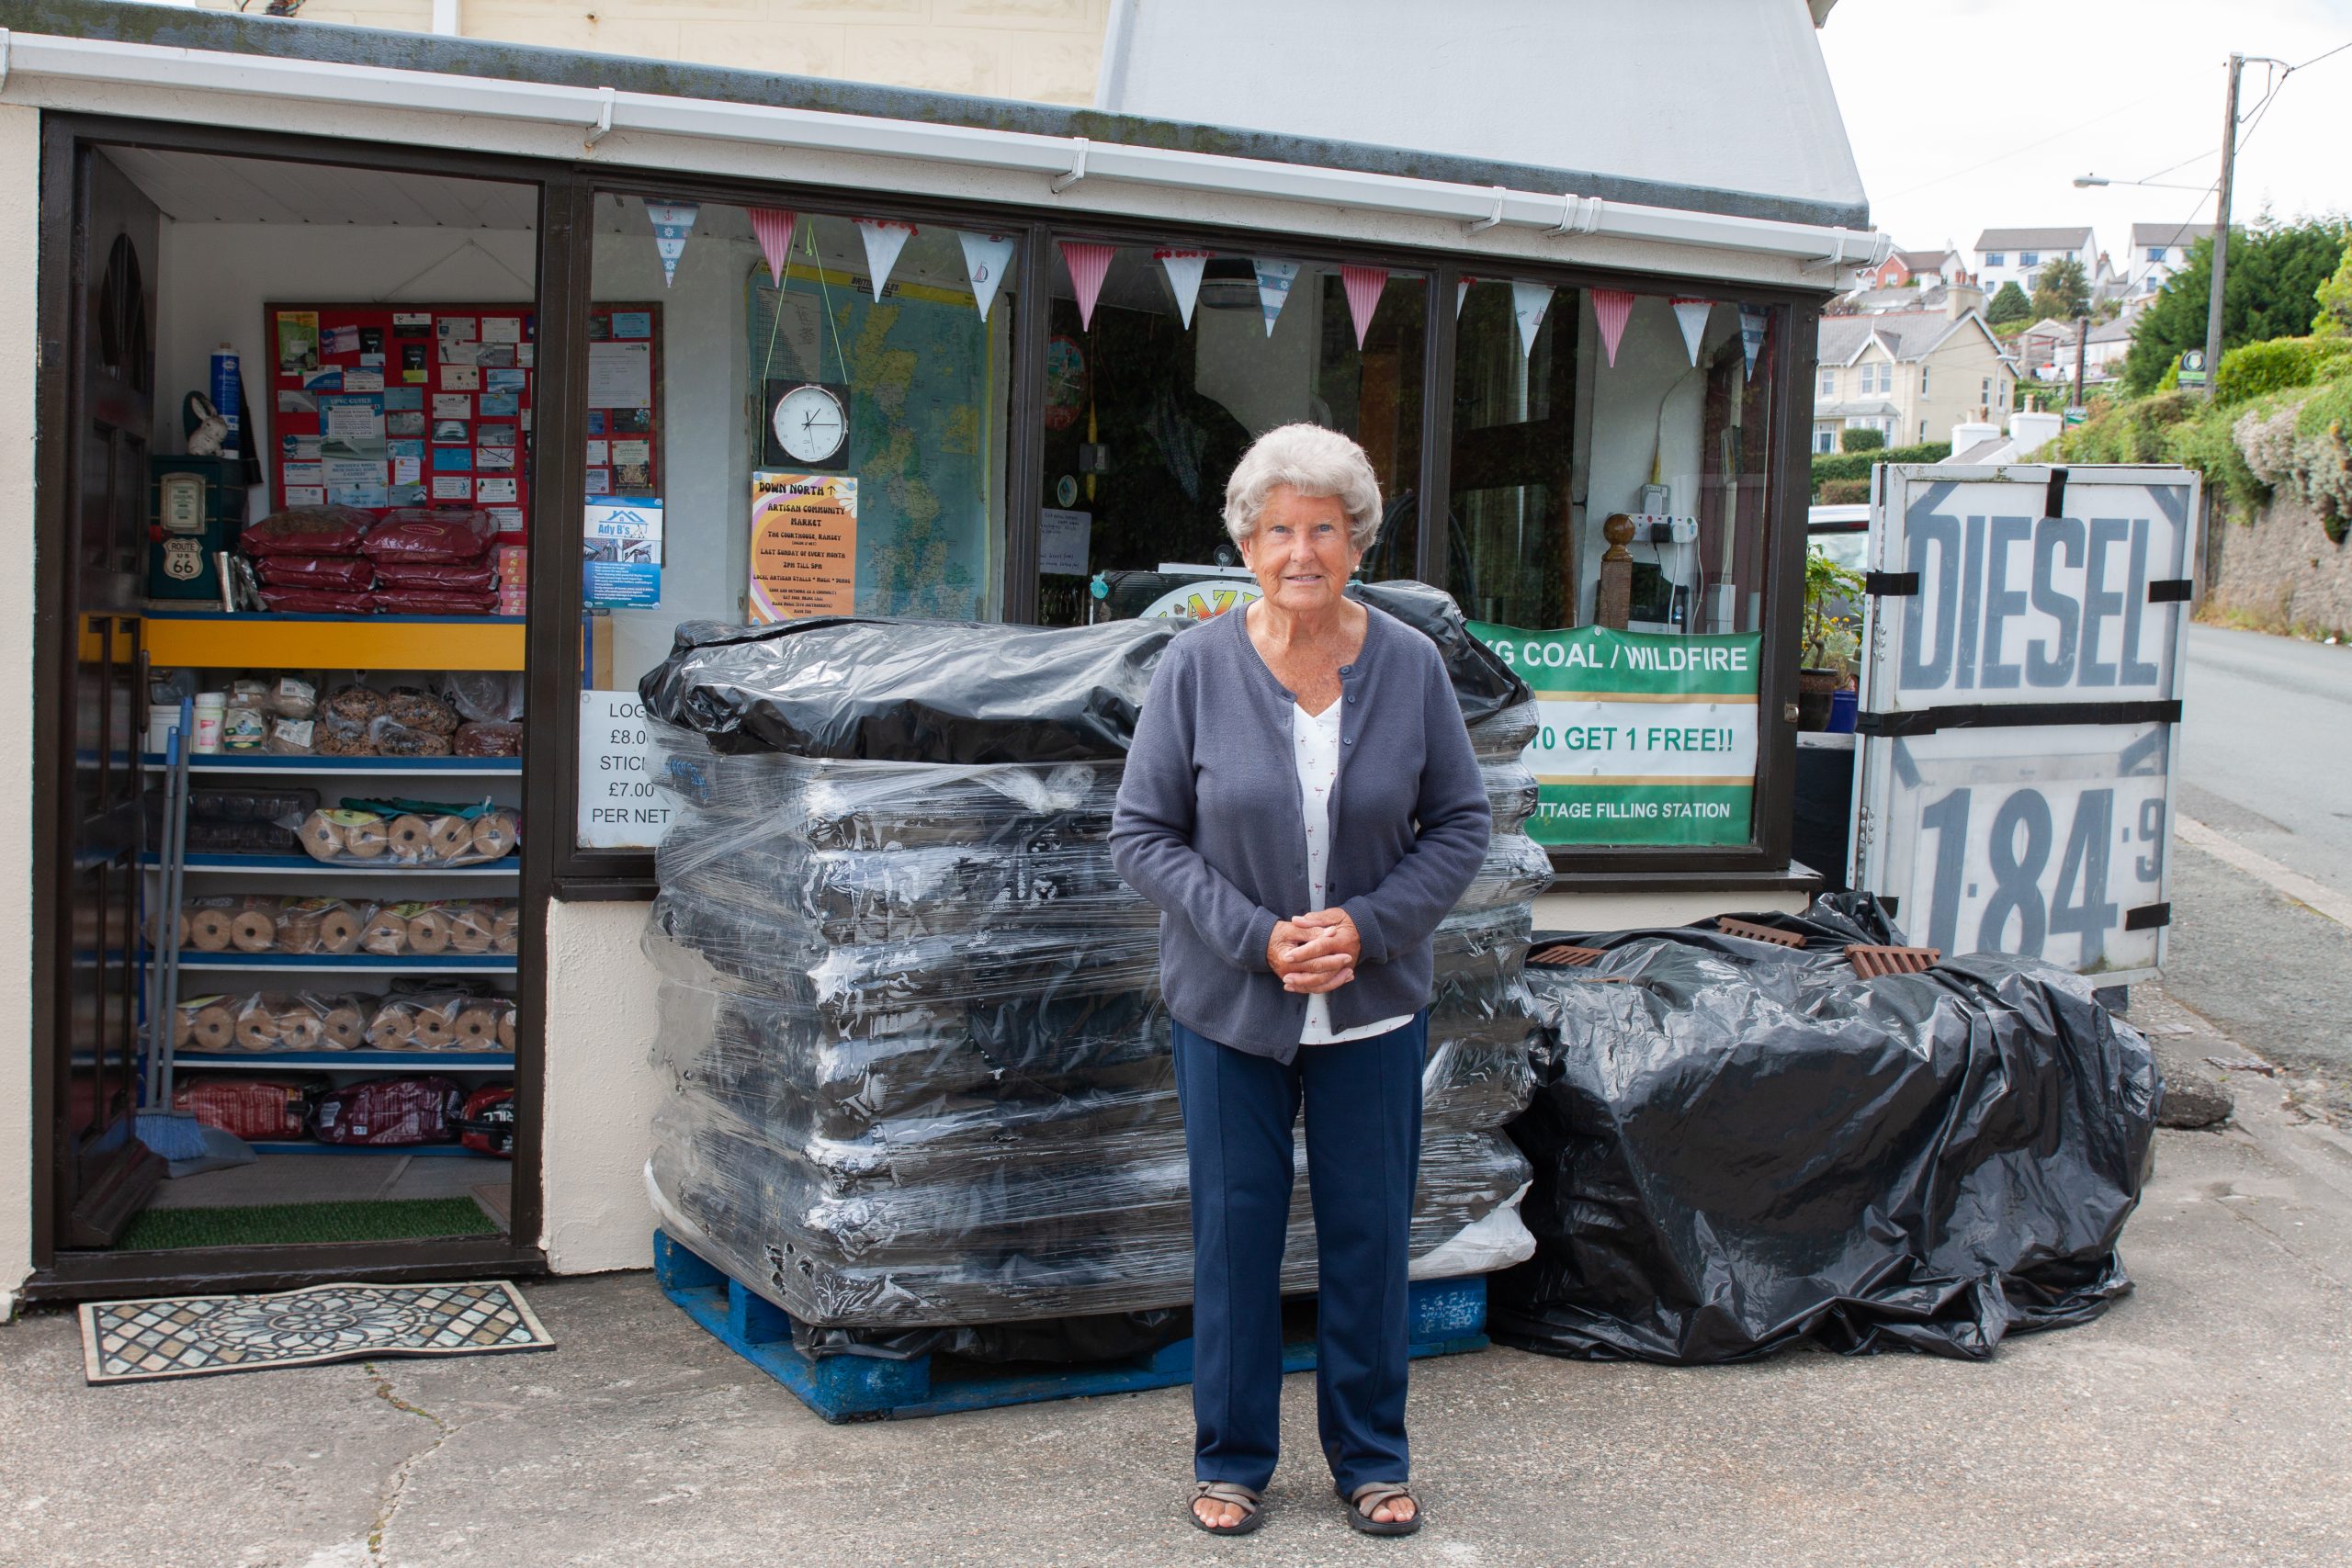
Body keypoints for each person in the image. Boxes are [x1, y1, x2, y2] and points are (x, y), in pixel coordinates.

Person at [1108, 423, 1493, 1537]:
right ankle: (1230, 1462)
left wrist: (1366, 929)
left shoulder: (1411, 666)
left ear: (1356, 540)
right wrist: (1255, 936)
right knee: (1234, 1233)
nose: (1299, 550)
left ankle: (1372, 1459)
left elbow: (1459, 824)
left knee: (1371, 1235)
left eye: (1322, 527)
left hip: (1373, 1006)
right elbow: (1142, 835)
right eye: (1278, 528)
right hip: (1231, 1005)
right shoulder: (1193, 666)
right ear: (1245, 540)